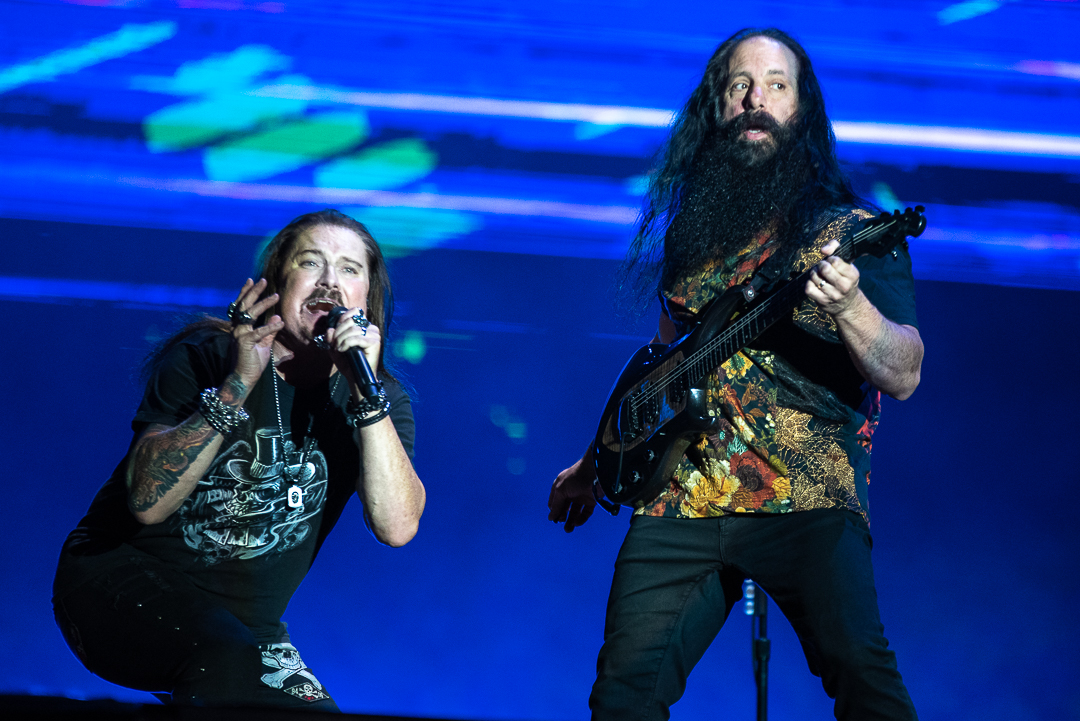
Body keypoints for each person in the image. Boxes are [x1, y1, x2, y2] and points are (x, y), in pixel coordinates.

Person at [548, 28, 923, 720]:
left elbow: (903, 371)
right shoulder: (692, 239)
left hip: (805, 497)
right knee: (622, 696)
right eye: (739, 86)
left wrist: (850, 306)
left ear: (802, 110)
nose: (756, 100)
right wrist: (597, 460)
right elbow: (660, 368)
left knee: (865, 684)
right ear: (715, 108)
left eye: (777, 85)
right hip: (679, 502)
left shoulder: (854, 231)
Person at [52, 209, 425, 710]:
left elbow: (397, 526)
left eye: (350, 270)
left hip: (250, 630)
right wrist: (237, 385)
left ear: (367, 299)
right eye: (310, 263)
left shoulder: (377, 399)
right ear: (275, 283)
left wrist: (365, 393)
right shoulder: (208, 356)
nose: (330, 284)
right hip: (114, 580)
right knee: (222, 655)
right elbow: (145, 503)